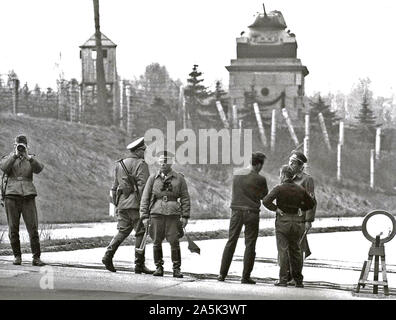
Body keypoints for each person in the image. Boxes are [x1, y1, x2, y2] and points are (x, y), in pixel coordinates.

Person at [102, 137, 153, 274]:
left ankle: (108, 255)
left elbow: (114, 187)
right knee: (141, 233)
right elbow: (144, 188)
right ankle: (139, 264)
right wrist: (146, 207)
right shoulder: (141, 164)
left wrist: (117, 205)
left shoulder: (120, 164)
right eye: (143, 150)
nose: (144, 153)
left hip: (122, 204)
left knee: (122, 231)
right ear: (138, 151)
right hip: (136, 205)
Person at [217, 152, 268, 284]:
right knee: (250, 244)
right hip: (252, 212)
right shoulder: (260, 179)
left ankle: (222, 274)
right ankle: (245, 277)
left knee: (231, 241)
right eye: (261, 165)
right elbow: (264, 196)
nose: (261, 168)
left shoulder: (237, 174)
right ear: (258, 164)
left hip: (236, 211)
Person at [262, 165, 316, 288]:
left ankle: (283, 279)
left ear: (284, 175)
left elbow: (265, 201)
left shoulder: (279, 188)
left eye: (281, 174)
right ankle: (298, 280)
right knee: (296, 251)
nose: (280, 176)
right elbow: (311, 203)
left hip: (283, 221)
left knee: (283, 251)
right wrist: (301, 208)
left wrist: (276, 209)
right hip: (297, 222)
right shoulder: (300, 189)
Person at [139, 151, 190, 278]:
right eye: (161, 161)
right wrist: (144, 216)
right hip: (156, 214)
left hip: (173, 215)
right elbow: (145, 198)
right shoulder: (152, 178)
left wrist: (185, 216)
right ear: (158, 162)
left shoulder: (179, 178)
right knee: (156, 241)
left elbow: (185, 198)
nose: (163, 163)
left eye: (166, 161)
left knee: (174, 242)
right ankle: (159, 267)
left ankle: (176, 269)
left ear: (172, 162)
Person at [0, 135, 45, 266]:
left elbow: (39, 169)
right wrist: (14, 155)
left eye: (22, 145)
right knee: (13, 228)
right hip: (11, 196)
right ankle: (17, 256)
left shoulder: (30, 158)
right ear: (14, 146)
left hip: (28, 196)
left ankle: (36, 257)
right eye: (18, 145)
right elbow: (3, 167)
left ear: (26, 146)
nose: (20, 148)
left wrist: (28, 157)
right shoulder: (8, 158)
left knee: (33, 228)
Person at [286, 150, 316, 285]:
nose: (290, 164)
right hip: (287, 218)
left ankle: (295, 277)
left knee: (297, 249)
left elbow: (312, 200)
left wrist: (309, 220)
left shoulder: (307, 179)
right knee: (286, 248)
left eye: (293, 162)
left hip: (300, 218)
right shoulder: (287, 178)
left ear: (299, 165)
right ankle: (286, 276)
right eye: (289, 161)